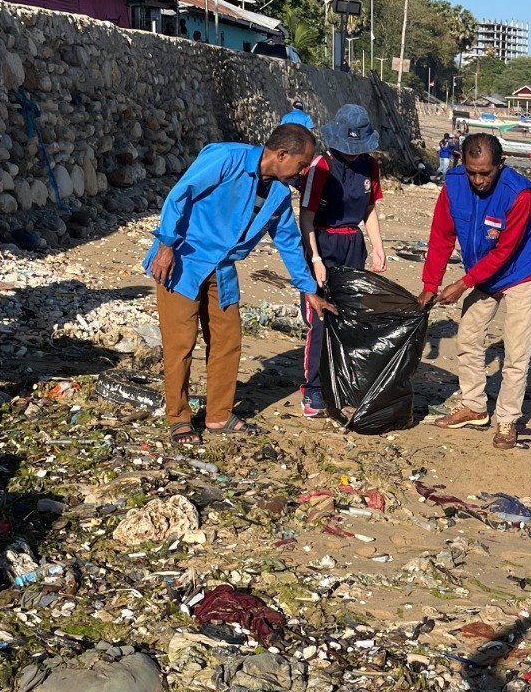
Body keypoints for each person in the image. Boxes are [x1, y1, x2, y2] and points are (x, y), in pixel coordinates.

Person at [144, 123, 335, 444]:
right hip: (183, 260)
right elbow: (181, 193)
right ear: (281, 154)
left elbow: (288, 241)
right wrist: (165, 245)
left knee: (227, 340)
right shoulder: (226, 157)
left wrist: (309, 289)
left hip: (223, 269)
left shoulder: (278, 193)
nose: (302, 173)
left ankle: (218, 415)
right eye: (301, 165)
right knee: (180, 344)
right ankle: (178, 417)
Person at [418, 133, 531, 451]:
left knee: (516, 352)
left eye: (485, 173)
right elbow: (441, 236)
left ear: (500, 165)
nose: (478, 180)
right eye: (472, 171)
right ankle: (474, 405)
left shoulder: (519, 193)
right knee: (469, 337)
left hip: (519, 271)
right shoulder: (454, 184)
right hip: (482, 272)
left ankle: (507, 419)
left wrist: (463, 283)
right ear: (463, 161)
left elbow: (504, 252)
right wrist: (430, 285)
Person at [298, 103, 387, 418]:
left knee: (348, 319)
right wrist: (316, 258)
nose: (351, 154)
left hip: (353, 244)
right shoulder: (321, 166)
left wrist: (377, 246)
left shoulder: (369, 166)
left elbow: (369, 210)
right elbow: (306, 217)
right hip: (322, 240)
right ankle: (312, 391)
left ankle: (341, 385)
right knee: (321, 319)